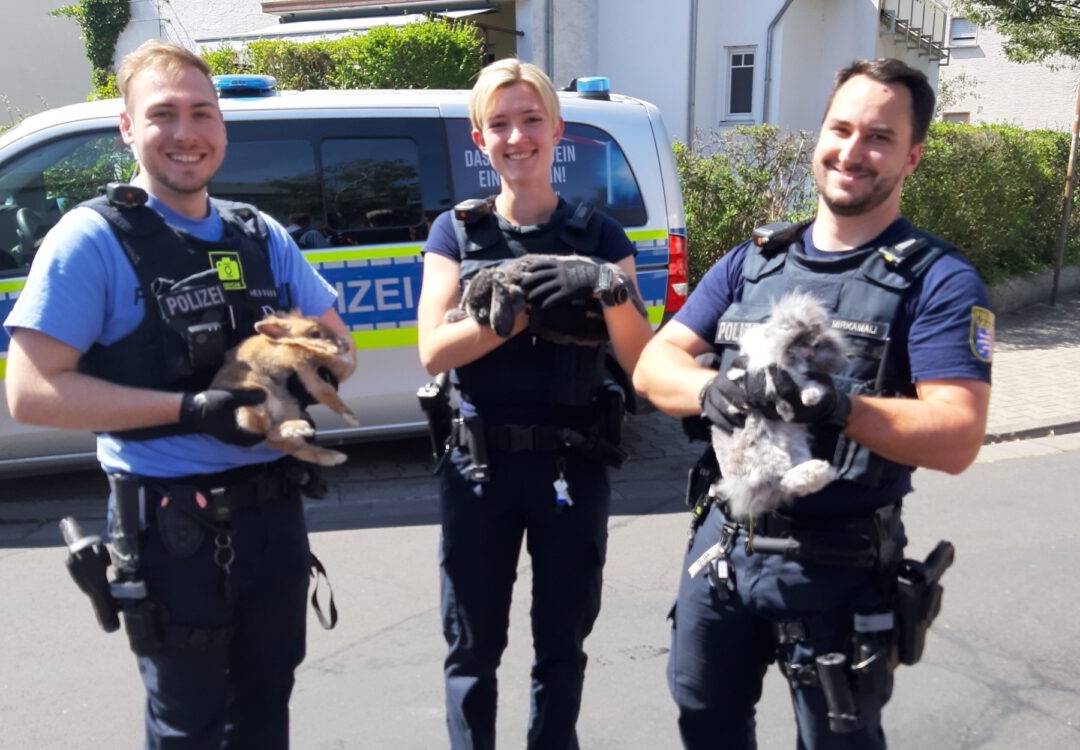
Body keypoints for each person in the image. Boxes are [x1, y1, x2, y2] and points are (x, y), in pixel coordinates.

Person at [3, 40, 354, 750]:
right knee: (189, 727)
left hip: (273, 520)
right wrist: (190, 411)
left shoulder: (261, 235)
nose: (187, 133)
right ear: (128, 129)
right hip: (173, 533)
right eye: (163, 114)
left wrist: (292, 358)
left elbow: (343, 355)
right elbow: (31, 394)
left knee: (265, 711)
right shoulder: (93, 240)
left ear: (222, 127)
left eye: (202, 113)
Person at [632, 58, 993, 749]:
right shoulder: (754, 261)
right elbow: (655, 365)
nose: (853, 151)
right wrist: (713, 390)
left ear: (912, 155)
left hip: (841, 569)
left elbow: (956, 435)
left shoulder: (938, 280)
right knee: (705, 724)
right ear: (817, 135)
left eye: (880, 137)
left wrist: (834, 407)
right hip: (724, 550)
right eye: (841, 128)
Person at [416, 58, 654, 749]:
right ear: (478, 137)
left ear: (557, 130)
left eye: (530, 121)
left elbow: (639, 358)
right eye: (499, 124)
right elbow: (434, 351)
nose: (516, 137)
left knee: (561, 646)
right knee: (472, 649)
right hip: (478, 469)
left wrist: (602, 283)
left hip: (571, 466)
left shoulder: (600, 238)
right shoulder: (454, 234)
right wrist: (519, 306)